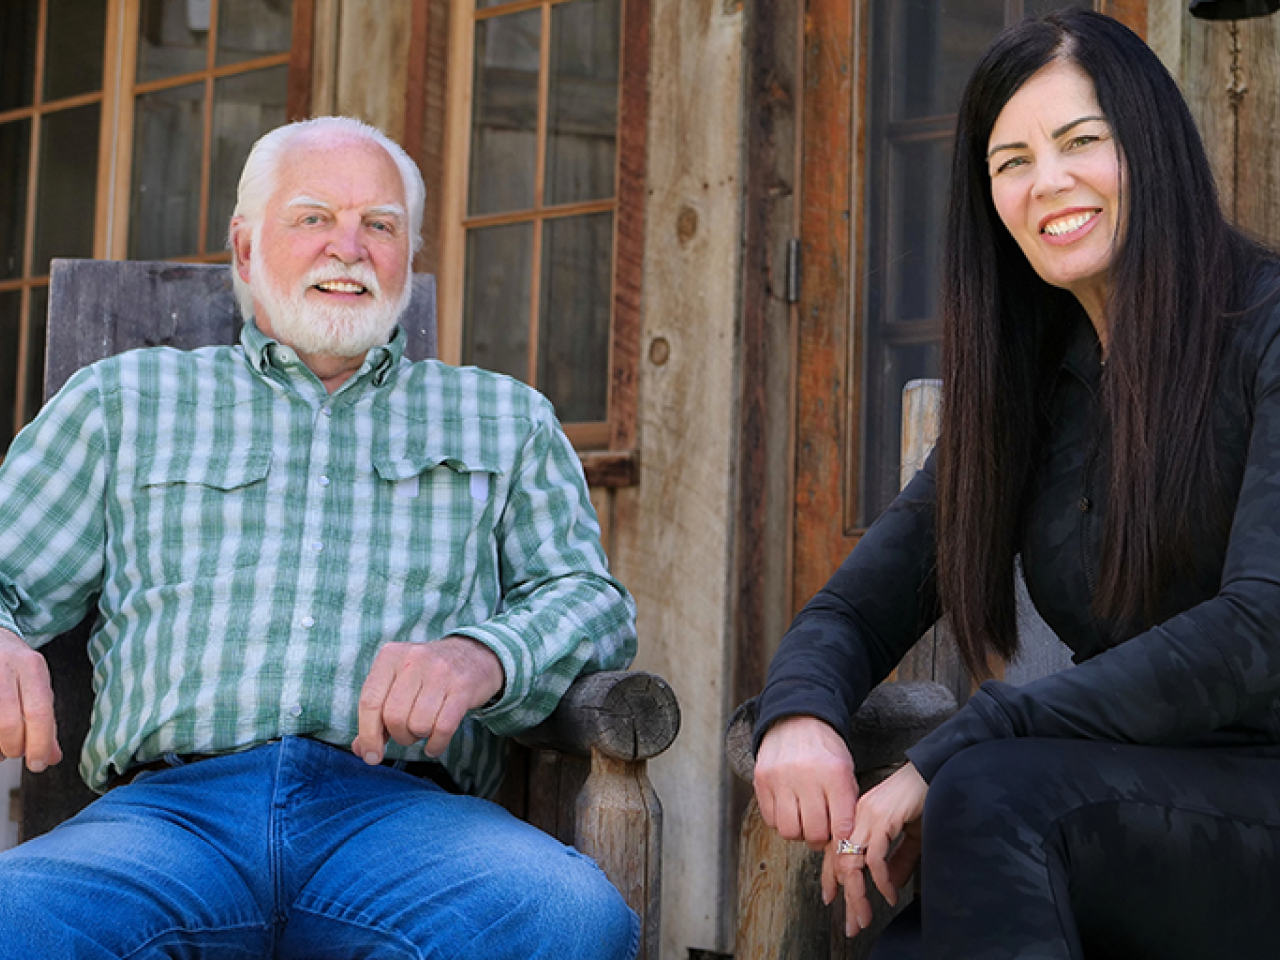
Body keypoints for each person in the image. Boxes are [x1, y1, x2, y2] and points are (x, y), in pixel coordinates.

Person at [0, 116, 640, 959]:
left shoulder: (503, 418)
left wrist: (481, 656)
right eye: (313, 217)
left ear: (407, 254)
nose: (350, 247)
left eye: (380, 224)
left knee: (566, 917)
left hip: (403, 821)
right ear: (244, 245)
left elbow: (591, 605)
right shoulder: (123, 403)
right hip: (164, 824)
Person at [752, 10, 1280, 959]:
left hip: (1254, 803)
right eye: (1012, 161)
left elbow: (1259, 629)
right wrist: (799, 714)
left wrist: (954, 749)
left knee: (985, 795)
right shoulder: (1032, 385)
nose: (1050, 183)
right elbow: (856, 607)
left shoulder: (1266, 330)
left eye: (1083, 142)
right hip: (1125, 803)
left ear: (1152, 148)